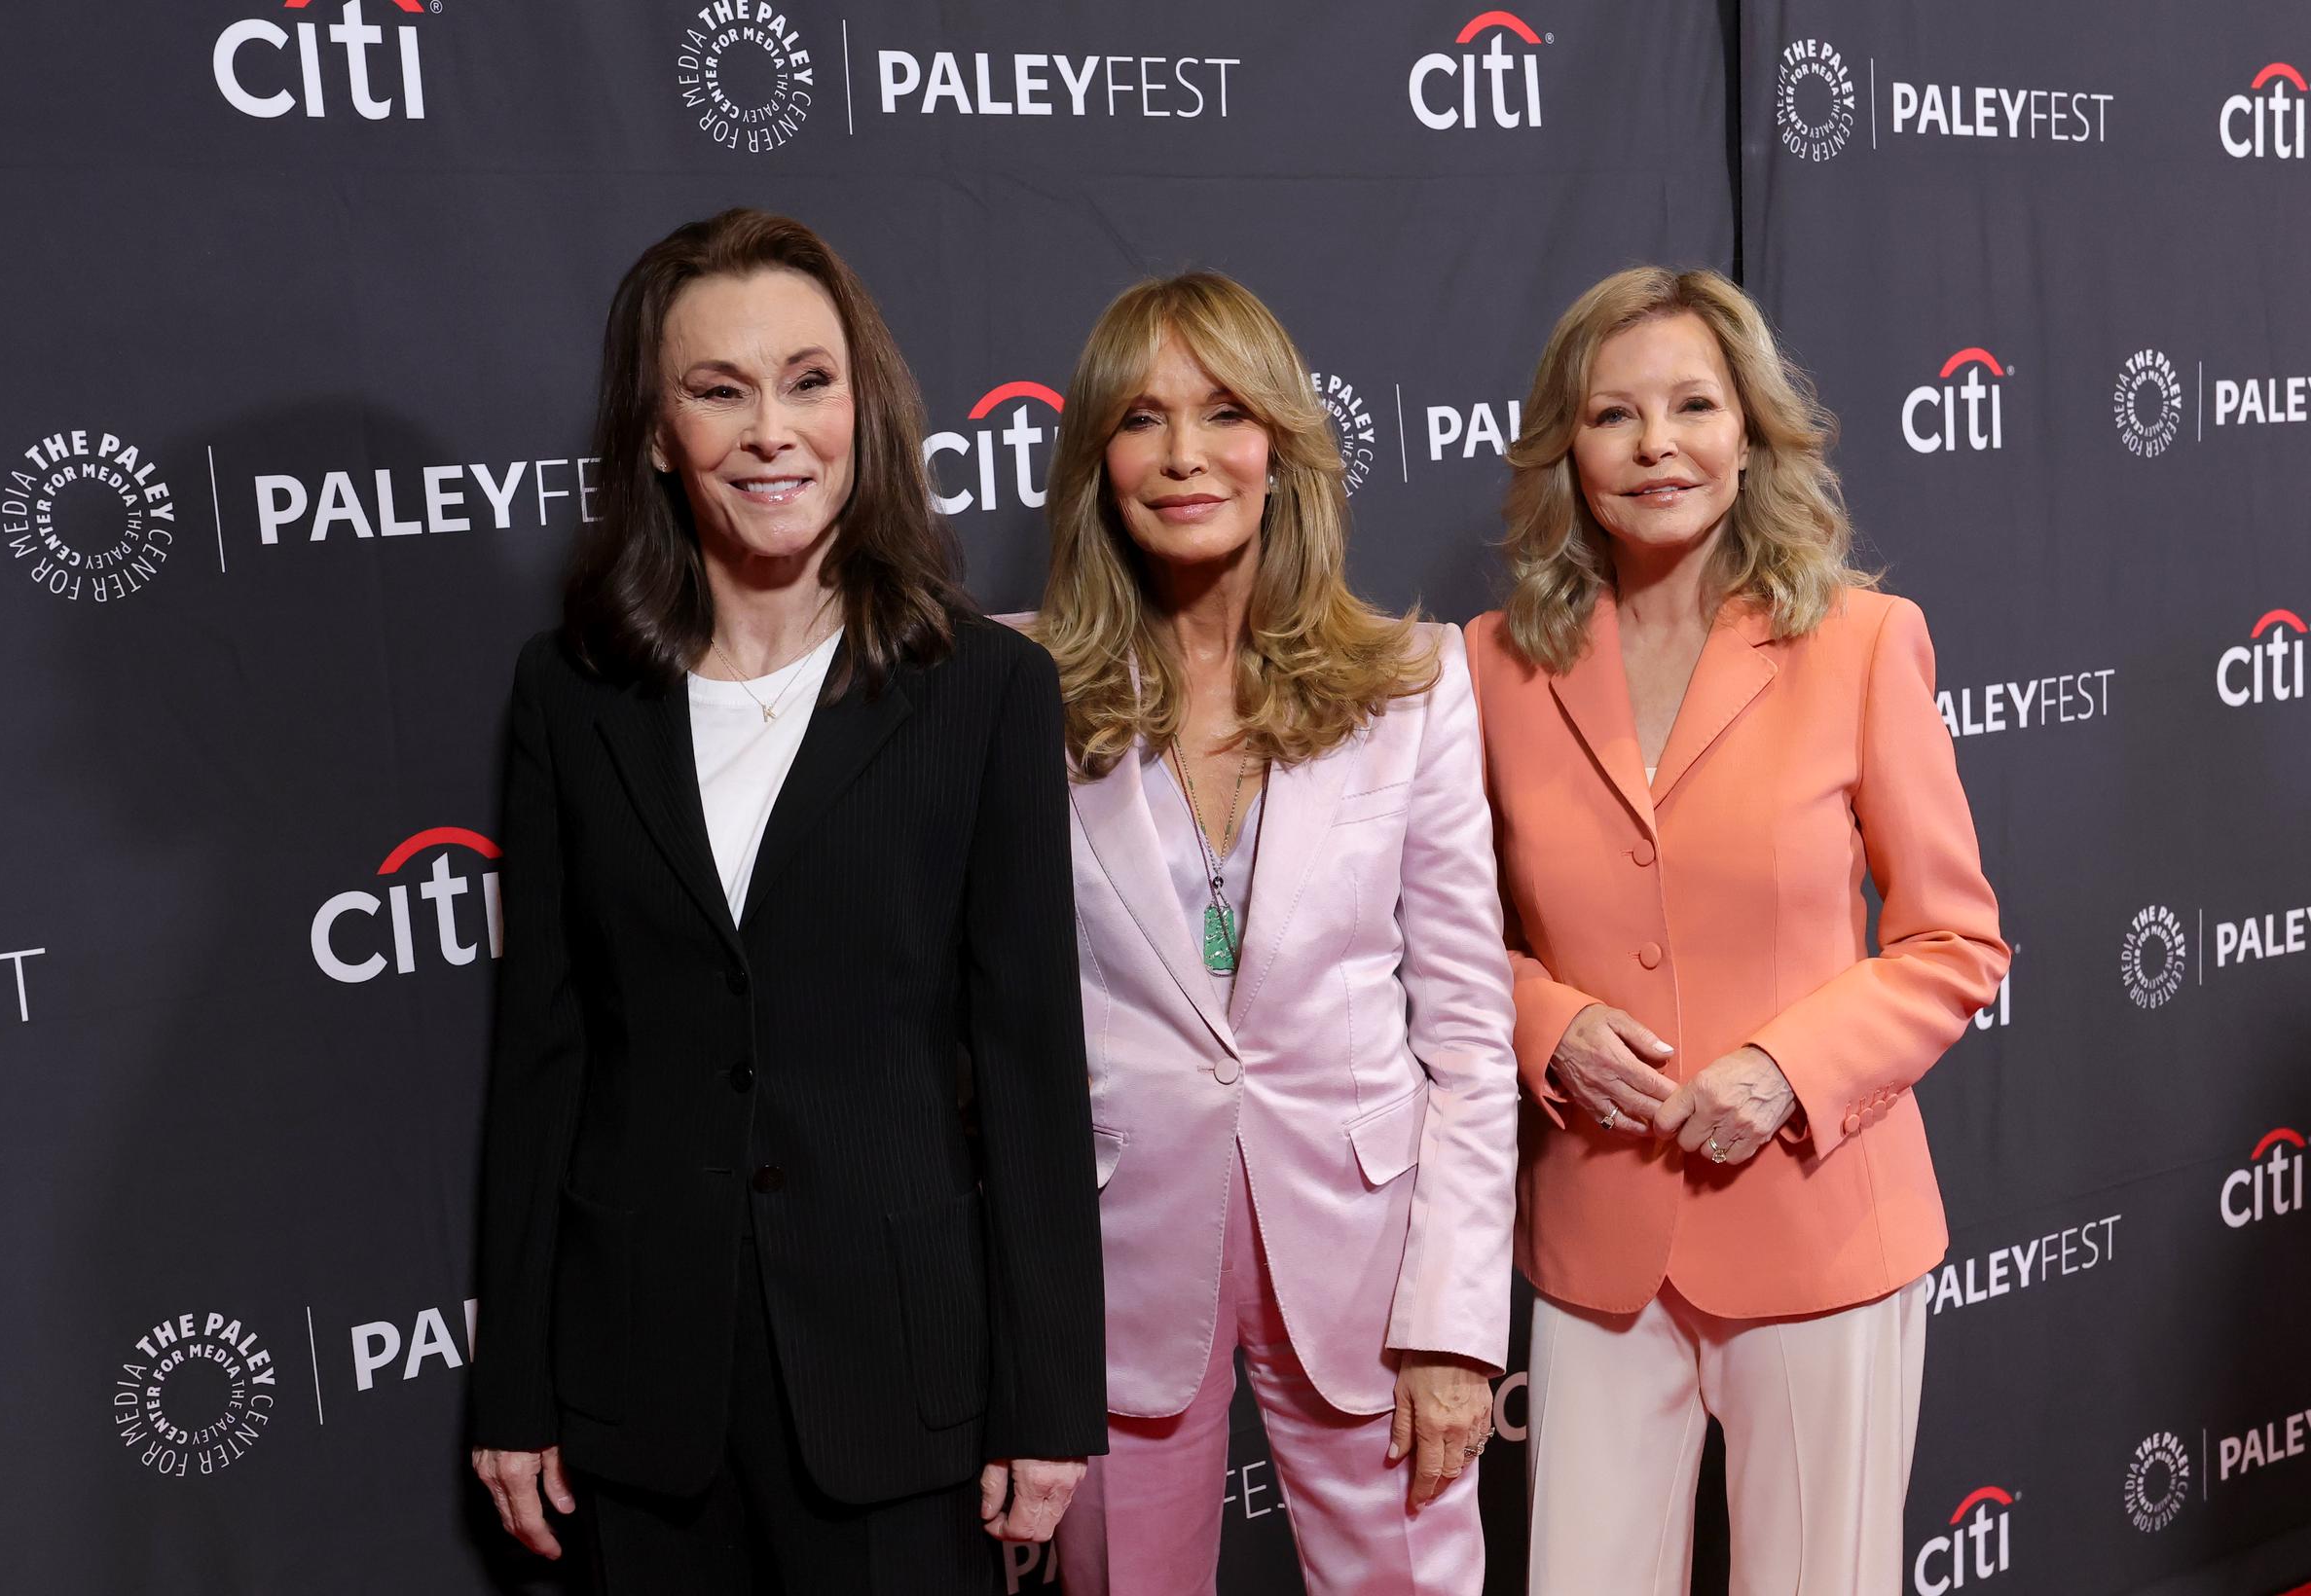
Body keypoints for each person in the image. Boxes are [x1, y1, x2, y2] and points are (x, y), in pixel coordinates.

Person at [466, 207, 1105, 1594]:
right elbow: (542, 1054)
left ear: (862, 405)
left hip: (900, 1382)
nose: (773, 431)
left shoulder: (984, 693)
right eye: (719, 389)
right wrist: (512, 1379)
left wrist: (1048, 1401)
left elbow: (1031, 1065)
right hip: (640, 1383)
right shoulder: (570, 698)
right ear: (654, 432)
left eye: (810, 381)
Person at [1465, 266, 2010, 1595]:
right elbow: (1448, 937)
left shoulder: (1865, 644)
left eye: (1694, 405)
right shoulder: (1487, 665)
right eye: (1614, 415)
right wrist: (1551, 1025)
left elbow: (1955, 943)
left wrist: (1787, 1072)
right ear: (1564, 449)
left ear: (1752, 430)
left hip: (1824, 1230)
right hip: (1598, 1242)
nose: (1658, 445)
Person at [1026, 271, 1519, 1595]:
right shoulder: (1017, 693)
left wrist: (1458, 1326)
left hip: (1369, 1259)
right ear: (1095, 463)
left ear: (1283, 447)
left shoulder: (1413, 684)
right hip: (1115, 1269)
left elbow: (1472, 1032)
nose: (1185, 454)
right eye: (1141, 419)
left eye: (1226, 411)